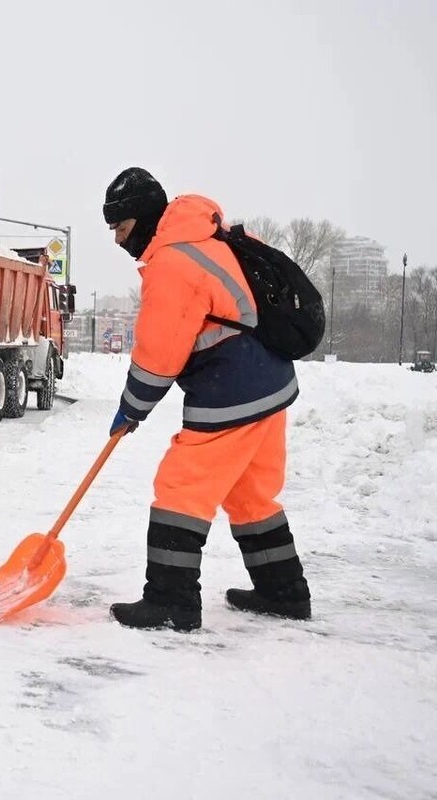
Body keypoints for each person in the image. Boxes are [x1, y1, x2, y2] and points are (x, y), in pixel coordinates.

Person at [101, 167, 311, 632]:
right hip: (269, 380)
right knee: (253, 494)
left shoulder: (173, 262)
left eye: (120, 226)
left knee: (180, 489)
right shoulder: (214, 234)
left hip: (231, 392)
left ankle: (170, 601)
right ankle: (284, 593)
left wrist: (132, 407)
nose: (117, 239)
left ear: (141, 217)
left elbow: (159, 354)